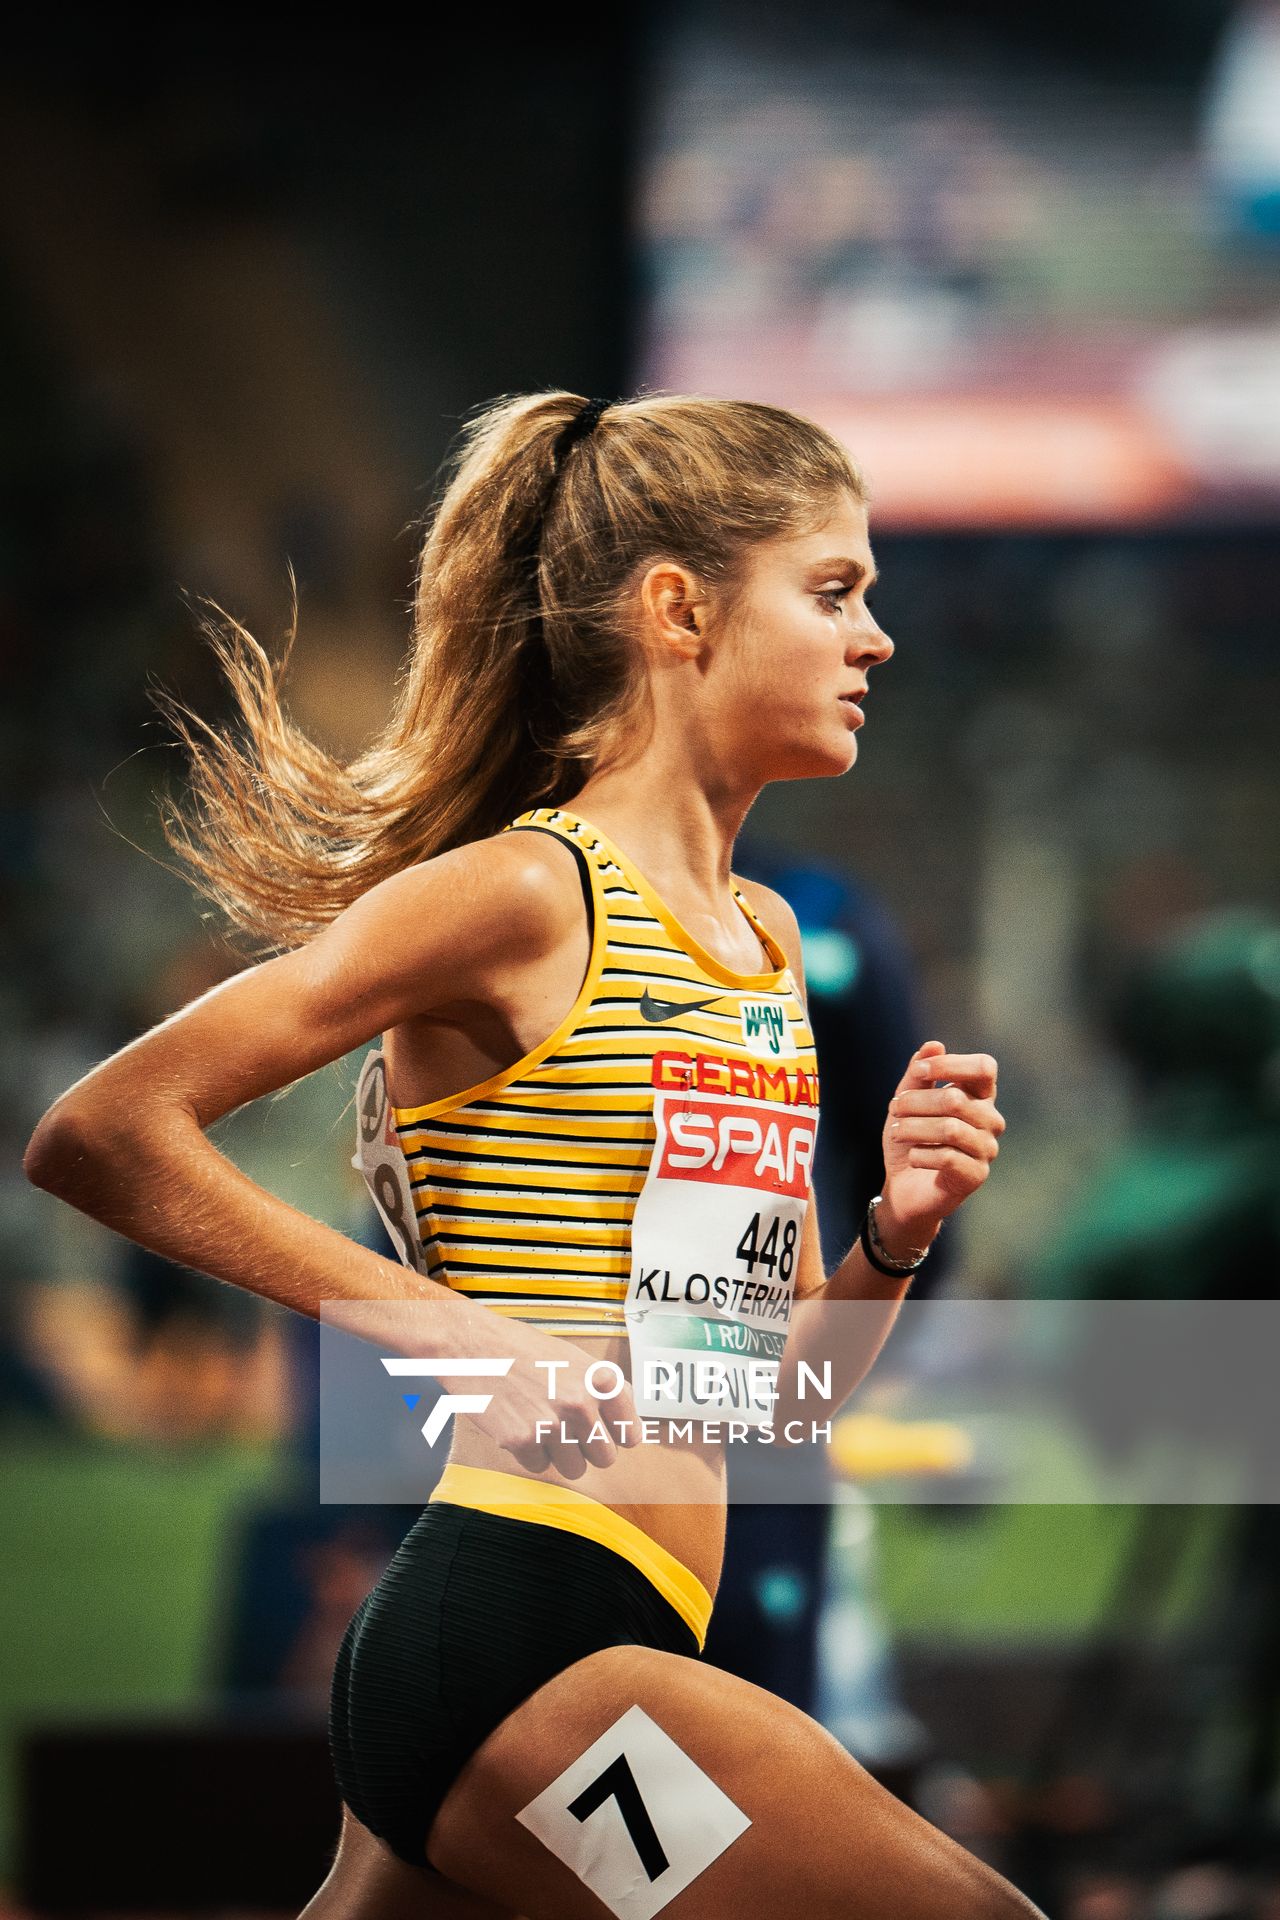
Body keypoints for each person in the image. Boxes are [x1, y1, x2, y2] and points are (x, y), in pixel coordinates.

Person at [24, 392, 1032, 1919]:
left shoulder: (759, 949)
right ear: (679, 611)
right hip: (519, 1643)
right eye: (833, 592)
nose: (875, 638)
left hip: (596, 1644)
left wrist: (893, 1233)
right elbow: (101, 1130)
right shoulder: (519, 896)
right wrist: (453, 1337)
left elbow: (766, 1405)